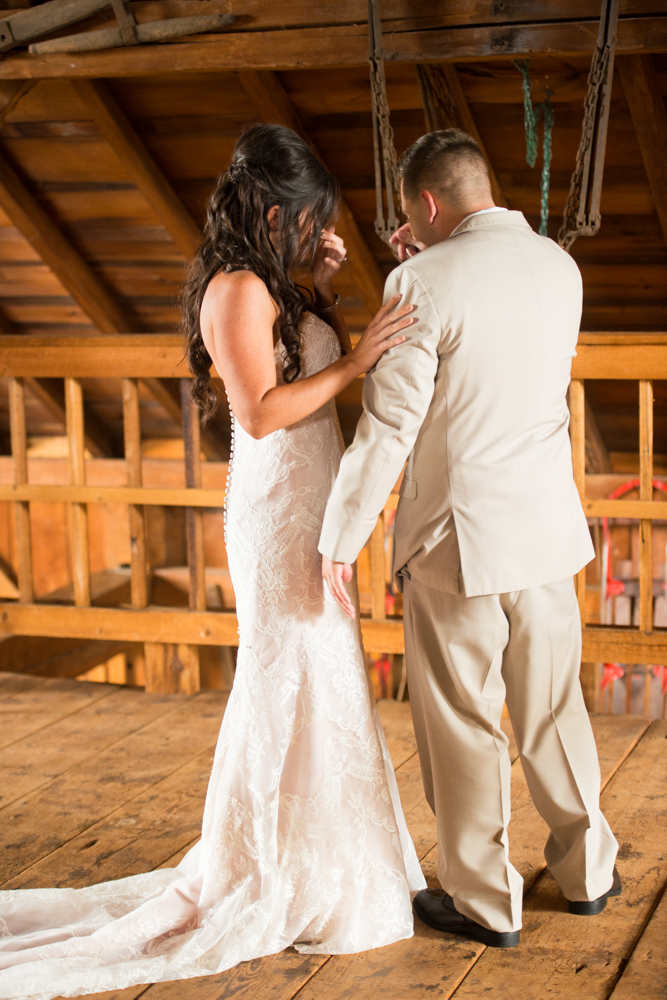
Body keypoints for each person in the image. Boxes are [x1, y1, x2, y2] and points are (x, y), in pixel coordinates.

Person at [0, 124, 425, 1000]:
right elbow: (264, 413)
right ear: (274, 213)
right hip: (275, 512)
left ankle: (330, 861)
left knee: (326, 673)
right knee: (285, 675)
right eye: (310, 221)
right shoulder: (233, 290)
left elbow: (298, 365)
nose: (320, 232)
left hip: (313, 498)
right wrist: (353, 358)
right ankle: (261, 860)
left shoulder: (276, 281)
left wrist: (323, 285)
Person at [320, 129, 620, 950]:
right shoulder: (561, 266)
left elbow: (388, 425)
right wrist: (420, 259)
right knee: (553, 711)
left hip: (460, 542)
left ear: (422, 205)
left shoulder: (418, 279)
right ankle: (587, 870)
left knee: (462, 723)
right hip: (548, 533)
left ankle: (485, 901)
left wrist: (339, 538)